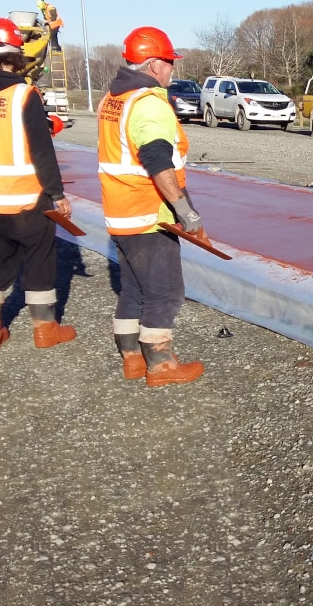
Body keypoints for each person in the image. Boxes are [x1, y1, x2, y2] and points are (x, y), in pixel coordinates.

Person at [0, 16, 78, 350]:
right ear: (16, 56)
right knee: (39, 263)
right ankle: (44, 331)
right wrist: (57, 193)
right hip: (28, 200)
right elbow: (41, 149)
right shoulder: (24, 95)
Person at [97, 26, 207, 387]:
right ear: (154, 64)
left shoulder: (113, 99)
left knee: (133, 288)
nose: (171, 70)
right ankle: (160, 363)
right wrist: (185, 211)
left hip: (119, 210)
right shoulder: (147, 103)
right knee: (165, 290)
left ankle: (130, 357)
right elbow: (158, 160)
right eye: (170, 63)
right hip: (149, 213)